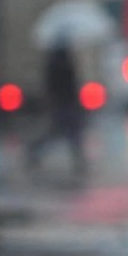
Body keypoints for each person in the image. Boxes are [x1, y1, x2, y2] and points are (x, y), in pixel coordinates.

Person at [27, 40, 88, 176]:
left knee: (70, 133)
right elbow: (59, 86)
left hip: (65, 104)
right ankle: (34, 150)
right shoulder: (58, 64)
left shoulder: (61, 63)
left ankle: (78, 160)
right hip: (63, 105)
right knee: (61, 132)